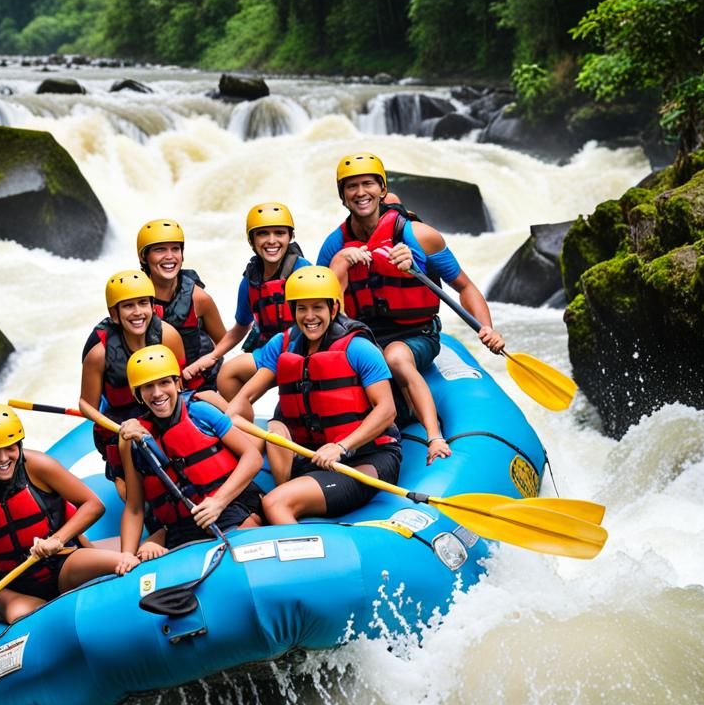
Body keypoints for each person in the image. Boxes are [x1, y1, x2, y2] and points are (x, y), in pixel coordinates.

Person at [319, 151, 506, 464]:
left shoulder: (419, 236)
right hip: (363, 336)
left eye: (368, 184)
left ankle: (434, 437)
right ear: (342, 197)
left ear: (381, 189)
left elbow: (465, 286)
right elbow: (324, 310)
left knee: (395, 356)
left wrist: (487, 328)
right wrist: (338, 267)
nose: (360, 192)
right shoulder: (334, 246)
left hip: (415, 333)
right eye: (351, 187)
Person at [227, 266, 401, 525]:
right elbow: (244, 398)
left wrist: (342, 446)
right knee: (275, 427)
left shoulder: (359, 348)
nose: (309, 317)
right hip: (313, 456)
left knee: (274, 502)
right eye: (302, 308)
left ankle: (300, 553)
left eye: (317, 307)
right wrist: (233, 417)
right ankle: (290, 492)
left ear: (333, 309)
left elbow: (387, 410)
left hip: (365, 458)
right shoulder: (283, 344)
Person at [0, 404, 126, 626]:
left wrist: (56, 540)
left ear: (19, 444)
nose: (3, 458)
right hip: (14, 587)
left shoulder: (39, 466)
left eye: (10, 447)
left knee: (120, 563)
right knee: (24, 619)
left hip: (63, 563)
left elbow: (93, 505)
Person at [115, 345, 264, 572]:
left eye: (164, 382)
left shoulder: (200, 412)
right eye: (148, 387)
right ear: (138, 394)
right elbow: (135, 508)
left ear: (177, 383)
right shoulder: (132, 439)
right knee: (153, 561)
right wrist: (126, 554)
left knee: (242, 557)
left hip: (228, 508)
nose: (157, 393)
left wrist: (218, 502)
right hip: (181, 528)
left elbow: (252, 457)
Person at [80, 270, 186, 492]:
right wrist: (120, 430)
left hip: (161, 407)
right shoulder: (99, 353)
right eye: (128, 306)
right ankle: (123, 481)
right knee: (131, 486)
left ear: (152, 306)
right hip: (122, 420)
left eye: (143, 303)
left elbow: (180, 386)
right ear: (115, 313)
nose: (138, 312)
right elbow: (86, 405)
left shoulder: (168, 336)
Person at [195, 202, 310, 400]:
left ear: (290, 237)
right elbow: (241, 327)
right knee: (227, 376)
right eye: (263, 234)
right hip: (270, 350)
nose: (271, 241)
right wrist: (212, 356)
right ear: (252, 240)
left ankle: (238, 415)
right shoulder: (250, 281)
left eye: (279, 233)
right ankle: (244, 426)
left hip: (302, 348)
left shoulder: (303, 271)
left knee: (240, 382)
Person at [136, 218, 227, 392]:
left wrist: (204, 363)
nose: (170, 256)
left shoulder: (199, 298)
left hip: (197, 386)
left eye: (175, 249)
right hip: (154, 388)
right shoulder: (133, 297)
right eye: (160, 249)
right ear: (143, 257)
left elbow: (224, 342)